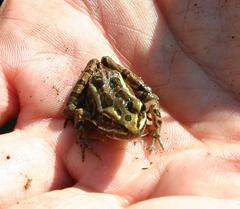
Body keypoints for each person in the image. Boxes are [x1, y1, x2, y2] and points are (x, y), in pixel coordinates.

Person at [0, 0, 239, 208]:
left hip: (114, 79)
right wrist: (83, 138)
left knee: (146, 92)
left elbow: (152, 100)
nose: (132, 130)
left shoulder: (139, 115)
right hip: (97, 88)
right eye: (116, 125)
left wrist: (153, 127)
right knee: (72, 109)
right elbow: (81, 112)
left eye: (136, 118)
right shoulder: (98, 118)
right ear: (107, 122)